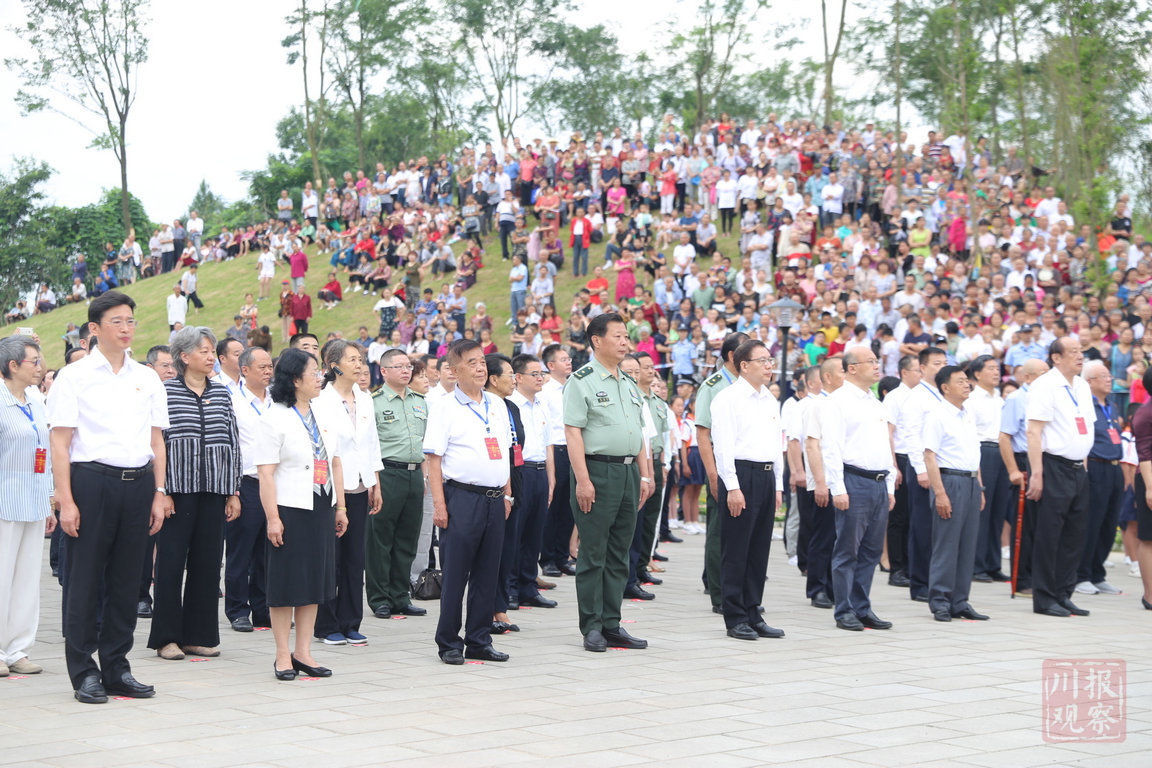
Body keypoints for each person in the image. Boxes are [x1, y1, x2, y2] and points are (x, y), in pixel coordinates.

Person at [47, 291, 169, 703]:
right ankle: (84, 671)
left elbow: (157, 440)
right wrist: (65, 499)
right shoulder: (74, 376)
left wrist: (159, 491)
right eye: (117, 321)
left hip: (139, 485)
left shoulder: (146, 377)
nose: (126, 328)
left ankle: (117, 667)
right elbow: (60, 442)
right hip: (91, 483)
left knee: (127, 581)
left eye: (130, 320)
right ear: (94, 329)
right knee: (84, 580)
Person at [149, 327, 242, 661]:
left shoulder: (222, 394)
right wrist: (162, 490)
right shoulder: (165, 392)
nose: (209, 356)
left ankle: (198, 636)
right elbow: (157, 443)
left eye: (211, 351)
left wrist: (233, 490)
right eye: (203, 351)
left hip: (214, 490)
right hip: (177, 492)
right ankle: (166, 638)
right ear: (184, 356)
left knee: (207, 565)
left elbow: (233, 442)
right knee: (171, 565)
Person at [255, 349, 349, 680]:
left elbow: (335, 461)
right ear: (295, 379)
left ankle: (303, 652)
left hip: (321, 505)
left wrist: (340, 506)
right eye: (314, 372)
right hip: (290, 509)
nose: (320, 377)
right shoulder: (274, 417)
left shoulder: (323, 412)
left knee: (314, 582)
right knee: (286, 584)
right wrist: (273, 518)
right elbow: (266, 473)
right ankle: (283, 655)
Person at [563, 313, 655, 652]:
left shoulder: (627, 383)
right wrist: (583, 480)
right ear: (596, 340)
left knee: (619, 551)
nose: (624, 342)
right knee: (594, 551)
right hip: (597, 471)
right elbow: (573, 432)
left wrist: (644, 474)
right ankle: (592, 626)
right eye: (617, 336)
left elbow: (638, 432)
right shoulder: (582, 381)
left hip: (628, 472)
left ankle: (612, 623)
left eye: (626, 336)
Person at [424, 340, 513, 665]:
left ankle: (479, 639)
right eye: (471, 362)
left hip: (495, 499)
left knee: (488, 573)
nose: (480, 368)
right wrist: (439, 505)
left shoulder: (497, 404)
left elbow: (504, 452)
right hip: (461, 498)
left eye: (482, 362)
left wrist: (507, 493)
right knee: (456, 574)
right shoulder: (445, 407)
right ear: (454, 370)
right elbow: (434, 460)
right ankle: (449, 641)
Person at [816, 347, 897, 631]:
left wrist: (889, 485)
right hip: (854, 480)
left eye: (877, 361)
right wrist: (837, 487)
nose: (876, 366)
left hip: (878, 481)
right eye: (870, 362)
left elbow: (885, 446)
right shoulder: (837, 401)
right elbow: (831, 447)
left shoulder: (875, 402)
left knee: (871, 551)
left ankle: (862, 607)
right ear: (852, 368)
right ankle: (844, 610)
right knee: (847, 550)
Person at [710, 339, 786, 640]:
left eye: (770, 360)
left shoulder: (769, 399)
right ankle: (735, 617)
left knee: (758, 550)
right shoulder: (727, 398)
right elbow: (723, 447)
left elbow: (775, 444)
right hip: (741, 475)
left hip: (766, 476)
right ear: (744, 365)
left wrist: (778, 484)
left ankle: (754, 611)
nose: (769, 366)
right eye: (762, 360)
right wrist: (732, 486)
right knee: (736, 549)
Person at [312, 341, 383, 646]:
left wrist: (375, 483)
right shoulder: (320, 399)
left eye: (360, 359)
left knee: (355, 559)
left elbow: (372, 443)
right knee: (331, 558)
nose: (359, 365)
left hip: (360, 485)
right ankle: (326, 624)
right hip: (330, 488)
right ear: (334, 365)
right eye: (352, 359)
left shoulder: (365, 399)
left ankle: (351, 621)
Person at [1025, 338, 1094, 617]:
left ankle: (1064, 593)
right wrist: (1037, 474)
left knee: (1074, 535)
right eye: (1073, 352)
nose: (1080, 356)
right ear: (1056, 357)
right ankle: (1044, 598)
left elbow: (1085, 429)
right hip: (1053, 466)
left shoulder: (1082, 386)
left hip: (1078, 468)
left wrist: (1084, 465)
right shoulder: (1045, 385)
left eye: (1081, 351)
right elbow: (1034, 432)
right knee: (1049, 534)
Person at [0, 335, 56, 677]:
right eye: (33, 361)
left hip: (33, 501)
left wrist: (49, 498)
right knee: (1, 577)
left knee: (25, 579)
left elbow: (44, 455)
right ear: (12, 365)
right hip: (4, 503)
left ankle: (18, 649)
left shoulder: (35, 401)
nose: (39, 367)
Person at [922, 365, 989, 622]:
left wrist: (979, 487)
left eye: (966, 380)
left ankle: (960, 601)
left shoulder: (967, 414)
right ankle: (940, 600)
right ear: (945, 387)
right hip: (949, 481)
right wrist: (939, 493)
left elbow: (974, 454)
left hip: (970, 482)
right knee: (946, 544)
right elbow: (930, 456)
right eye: (960, 381)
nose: (966, 384)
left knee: (967, 544)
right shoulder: (937, 415)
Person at [694, 333, 749, 613]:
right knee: (720, 531)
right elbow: (703, 434)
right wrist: (714, 476)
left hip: (748, 465)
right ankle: (719, 593)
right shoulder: (712, 386)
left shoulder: (751, 387)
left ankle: (740, 591)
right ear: (731, 356)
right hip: (721, 464)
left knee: (743, 531)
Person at [226, 346, 274, 633]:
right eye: (262, 367)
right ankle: (237, 610)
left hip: (274, 484)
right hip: (245, 483)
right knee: (240, 551)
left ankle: (263, 609)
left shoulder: (277, 401)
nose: (268, 371)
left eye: (270, 367)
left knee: (268, 552)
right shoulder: (232, 401)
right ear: (245, 370)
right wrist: (232, 490)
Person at [897, 347, 948, 603]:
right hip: (923, 468)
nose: (942, 367)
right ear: (923, 368)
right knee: (922, 527)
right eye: (936, 363)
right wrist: (921, 470)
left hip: (943, 466)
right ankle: (920, 583)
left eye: (945, 362)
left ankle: (938, 580)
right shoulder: (916, 396)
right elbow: (911, 435)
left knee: (940, 528)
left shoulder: (945, 395)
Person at [507, 354, 556, 612]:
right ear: (518, 377)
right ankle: (510, 588)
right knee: (516, 532)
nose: (540, 378)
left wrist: (551, 478)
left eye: (542, 374)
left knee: (535, 532)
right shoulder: (511, 405)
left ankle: (529, 587)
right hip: (521, 471)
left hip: (539, 472)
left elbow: (548, 445)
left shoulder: (541, 404)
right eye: (534, 374)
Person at [998, 358, 1049, 596]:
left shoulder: (1048, 396)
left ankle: (1040, 576)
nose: (1047, 378)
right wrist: (1012, 470)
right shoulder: (1017, 399)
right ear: (1027, 377)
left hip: (1045, 460)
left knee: (1042, 524)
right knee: (1024, 525)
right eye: (1041, 373)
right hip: (1023, 460)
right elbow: (1004, 437)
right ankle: (1021, 580)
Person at [1074, 360, 1124, 596]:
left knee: (1109, 523)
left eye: (1109, 375)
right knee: (1091, 522)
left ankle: (1097, 573)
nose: (1109, 379)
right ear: (1089, 382)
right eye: (1103, 376)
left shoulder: (1112, 406)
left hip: (1115, 467)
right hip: (1095, 466)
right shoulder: (1085, 406)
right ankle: (1081, 575)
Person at [625, 352, 670, 599]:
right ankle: (627, 577)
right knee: (628, 527)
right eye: (631, 371)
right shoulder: (629, 397)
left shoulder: (648, 402)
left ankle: (637, 570)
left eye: (637, 371)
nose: (648, 372)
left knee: (644, 522)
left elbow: (651, 440)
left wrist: (652, 472)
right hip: (623, 464)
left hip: (646, 464)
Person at [803, 359, 843, 608]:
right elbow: (811, 445)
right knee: (823, 537)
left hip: (843, 481)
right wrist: (820, 482)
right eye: (842, 371)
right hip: (823, 481)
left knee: (840, 538)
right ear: (827, 377)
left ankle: (833, 587)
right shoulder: (816, 405)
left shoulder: (844, 404)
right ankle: (817, 588)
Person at [967, 355, 1011, 583]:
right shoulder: (971, 399)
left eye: (997, 368)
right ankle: (977, 565)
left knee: (998, 510)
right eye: (991, 368)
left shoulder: (1001, 399)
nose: (996, 372)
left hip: (1003, 451)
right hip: (983, 451)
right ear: (977, 374)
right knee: (982, 509)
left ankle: (994, 564)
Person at [883, 355, 920, 589]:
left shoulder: (924, 396)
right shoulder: (895, 397)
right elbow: (888, 433)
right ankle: (897, 568)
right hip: (902, 458)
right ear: (904, 372)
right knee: (900, 517)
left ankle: (912, 566)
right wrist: (894, 466)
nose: (921, 374)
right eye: (917, 370)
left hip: (919, 460)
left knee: (916, 517)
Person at [539, 344, 576, 578]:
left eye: (569, 358)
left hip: (575, 450)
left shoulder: (574, 387)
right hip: (556, 451)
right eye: (563, 359)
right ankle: (548, 558)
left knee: (569, 506)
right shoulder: (545, 392)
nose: (569, 362)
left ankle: (563, 556)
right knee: (553, 506)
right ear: (551, 365)